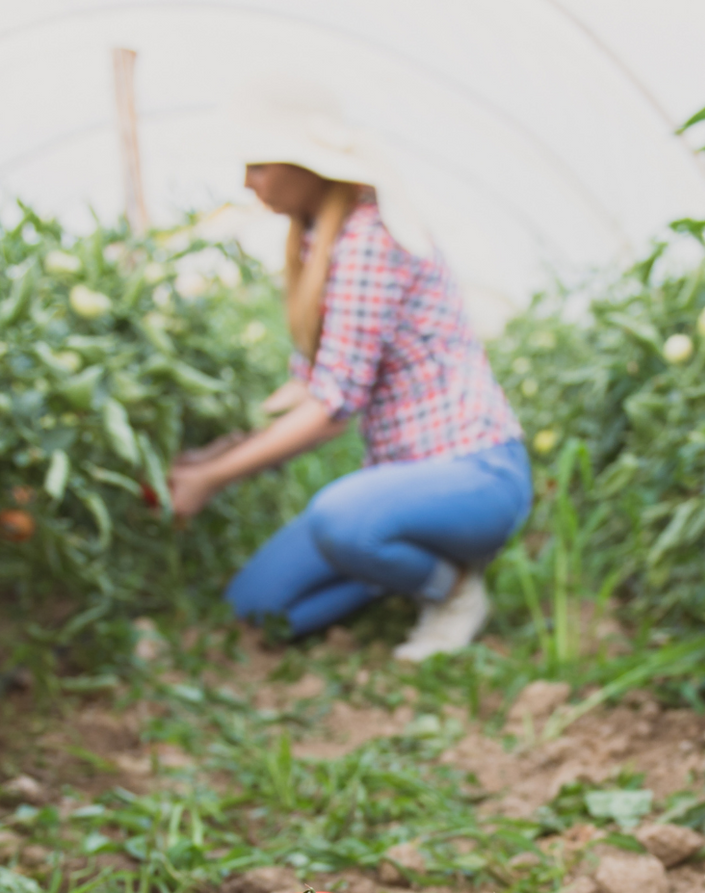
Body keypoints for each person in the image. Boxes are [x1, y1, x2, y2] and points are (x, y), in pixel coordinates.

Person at [167, 87, 529, 661]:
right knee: (258, 607)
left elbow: (332, 405)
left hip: (475, 475)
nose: (247, 182)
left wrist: (212, 479)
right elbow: (309, 389)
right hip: (396, 484)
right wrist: (213, 455)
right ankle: (397, 561)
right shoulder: (318, 242)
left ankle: (453, 590)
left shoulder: (370, 238)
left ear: (307, 168)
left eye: (259, 166)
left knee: (343, 516)